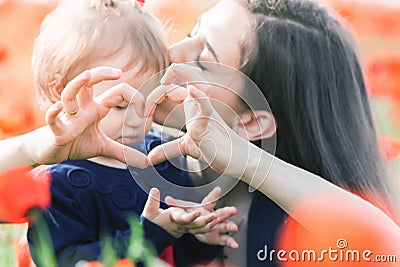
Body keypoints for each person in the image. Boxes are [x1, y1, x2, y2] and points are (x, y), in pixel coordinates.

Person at [143, 0, 400, 266]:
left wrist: (250, 161)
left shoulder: (289, 237)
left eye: (201, 60)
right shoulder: (126, 160)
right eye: (190, 34)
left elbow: (389, 250)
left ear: (252, 122)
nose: (171, 53)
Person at [26, 0, 237, 266]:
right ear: (62, 91)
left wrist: (199, 236)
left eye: (152, 102)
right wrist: (148, 235)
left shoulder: (166, 158)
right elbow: (65, 259)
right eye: (121, 104)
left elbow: (180, 253)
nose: (136, 121)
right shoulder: (58, 188)